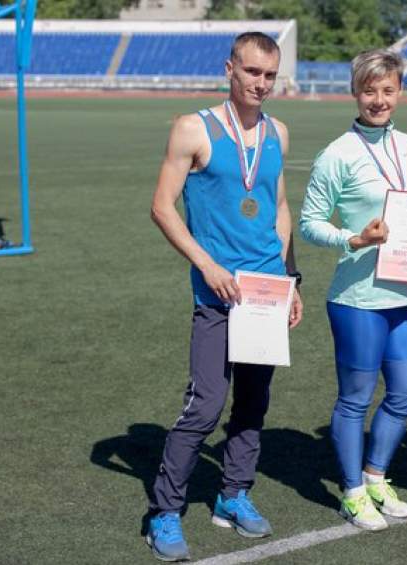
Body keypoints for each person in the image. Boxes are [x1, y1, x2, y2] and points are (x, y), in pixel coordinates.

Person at [146, 32, 303, 562]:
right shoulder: (193, 128)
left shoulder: (279, 132)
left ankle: (233, 494)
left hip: (265, 293)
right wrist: (207, 265)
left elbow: (279, 207)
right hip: (217, 294)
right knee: (206, 405)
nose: (261, 83)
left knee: (254, 403)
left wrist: (289, 279)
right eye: (252, 71)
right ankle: (164, 511)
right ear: (230, 68)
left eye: (269, 75)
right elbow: (162, 207)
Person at [299, 49, 407, 531]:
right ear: (355, 92)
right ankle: (353, 493)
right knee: (356, 398)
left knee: (406, 392)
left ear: (399, 92)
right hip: (358, 298)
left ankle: (376, 476)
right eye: (369, 90)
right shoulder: (337, 154)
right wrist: (355, 238)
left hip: (405, 295)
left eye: (387, 90)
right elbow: (310, 223)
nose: (378, 100)